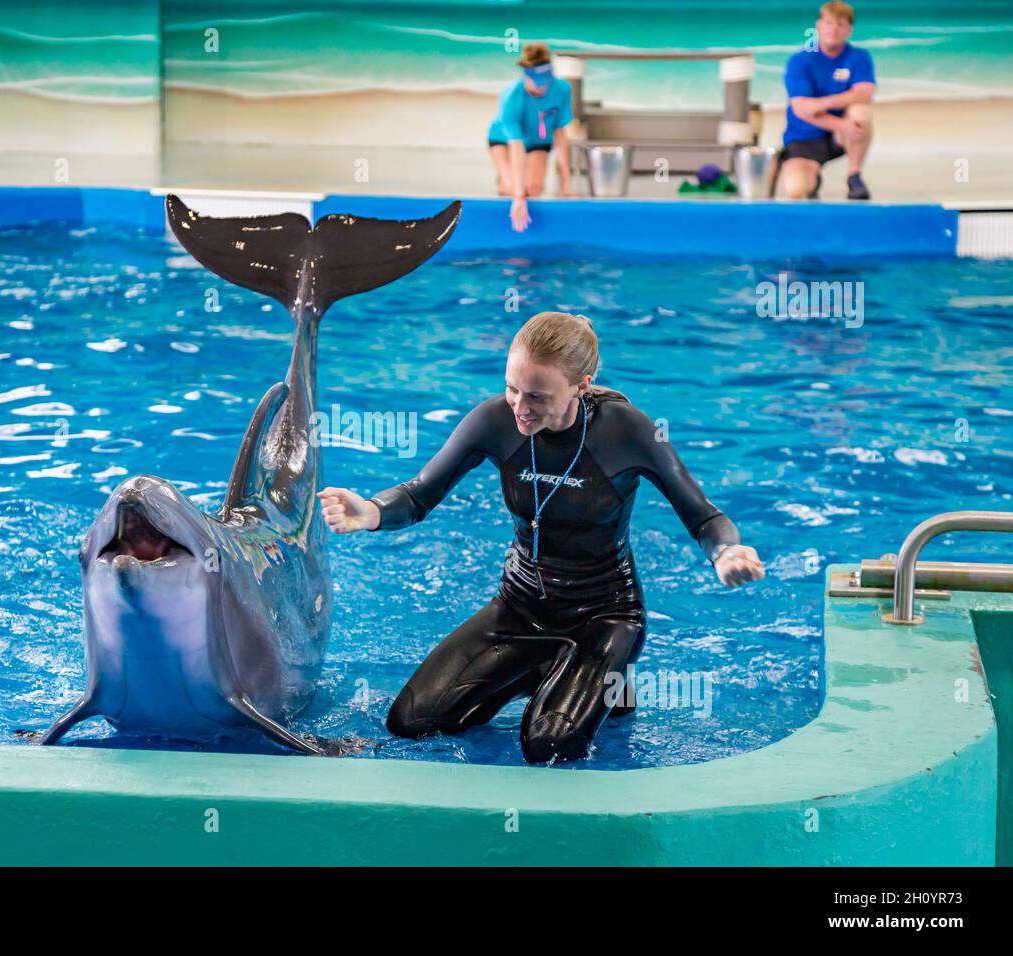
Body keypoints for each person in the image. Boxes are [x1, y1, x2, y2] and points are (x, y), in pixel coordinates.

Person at [317, 312, 765, 765]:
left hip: (604, 617)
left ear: (581, 384)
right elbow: (418, 495)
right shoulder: (494, 420)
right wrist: (371, 511)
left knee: (548, 746)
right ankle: (545, 670)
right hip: (520, 607)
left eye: (537, 395)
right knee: (410, 720)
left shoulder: (627, 432)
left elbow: (705, 517)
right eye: (512, 388)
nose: (519, 406)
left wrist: (726, 551)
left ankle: (598, 678)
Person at [777, 1, 875, 200]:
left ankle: (854, 176)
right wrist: (839, 124)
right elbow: (800, 109)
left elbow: (865, 93)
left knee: (861, 112)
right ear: (819, 25)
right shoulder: (800, 60)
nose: (834, 29)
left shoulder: (859, 57)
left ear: (849, 29)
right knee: (796, 189)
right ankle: (813, 178)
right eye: (829, 23)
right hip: (805, 136)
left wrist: (822, 104)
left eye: (840, 24)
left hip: (841, 137)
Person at [487, 42, 577, 233]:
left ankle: (515, 182)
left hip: (538, 140)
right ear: (526, 76)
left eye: (546, 81)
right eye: (537, 82)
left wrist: (566, 186)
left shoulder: (562, 89)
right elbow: (516, 146)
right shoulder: (512, 96)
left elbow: (560, 135)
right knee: (513, 188)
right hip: (504, 140)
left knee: (534, 188)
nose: (542, 88)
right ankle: (505, 182)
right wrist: (519, 197)